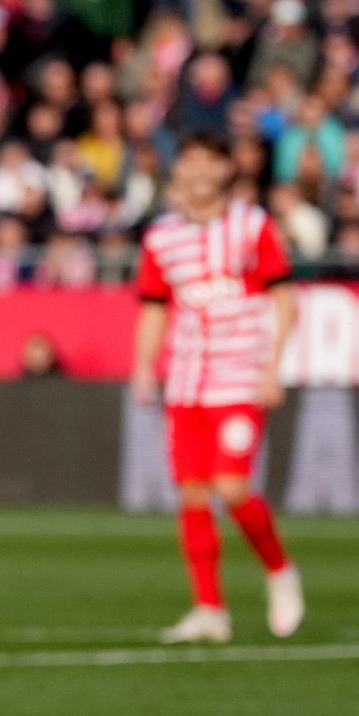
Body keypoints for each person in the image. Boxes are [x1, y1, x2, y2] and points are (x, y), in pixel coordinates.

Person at [132, 132, 303, 645]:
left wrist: (273, 366)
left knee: (231, 487)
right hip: (186, 380)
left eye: (210, 160)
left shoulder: (253, 226)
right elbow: (154, 306)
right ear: (178, 168)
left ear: (227, 169)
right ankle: (209, 609)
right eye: (190, 160)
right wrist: (144, 365)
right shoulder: (161, 237)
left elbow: (285, 298)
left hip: (240, 375)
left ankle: (279, 570)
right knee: (192, 493)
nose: (199, 171)